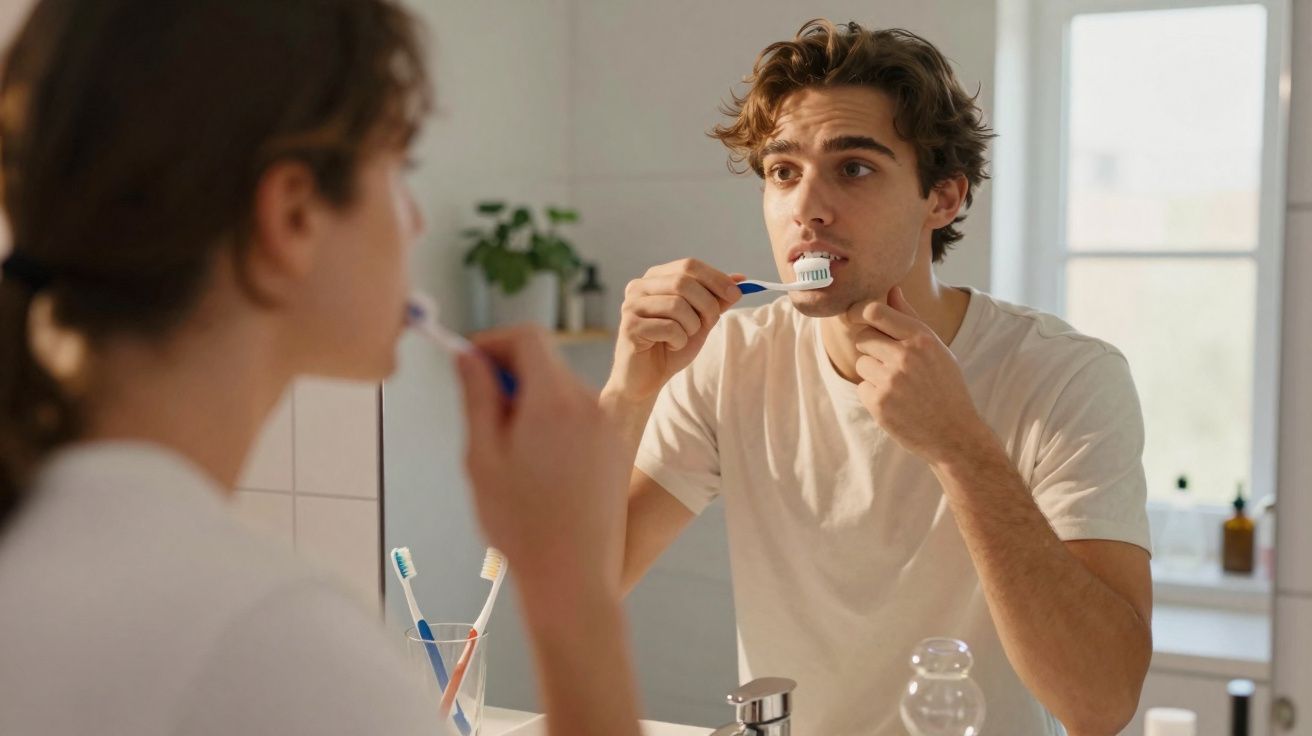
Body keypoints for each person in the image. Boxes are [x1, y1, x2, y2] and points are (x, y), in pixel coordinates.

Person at [0, 2, 641, 734]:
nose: (417, 221)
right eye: (399, 170)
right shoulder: (266, 644)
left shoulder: (43, 538)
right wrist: (572, 590)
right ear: (293, 216)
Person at [605, 19, 1153, 735]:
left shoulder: (1066, 376)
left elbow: (1101, 704)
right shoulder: (732, 357)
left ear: (943, 198)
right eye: (783, 172)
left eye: (854, 167)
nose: (807, 207)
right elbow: (581, 590)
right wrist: (627, 394)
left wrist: (960, 448)